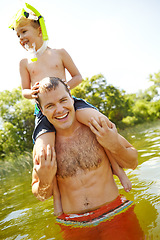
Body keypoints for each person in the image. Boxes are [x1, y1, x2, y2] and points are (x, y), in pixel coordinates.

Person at [9, 3, 132, 215]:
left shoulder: (59, 53)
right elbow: (24, 91)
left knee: (100, 125)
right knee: (45, 153)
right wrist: (35, 93)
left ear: (39, 29)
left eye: (24, 31)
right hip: (43, 112)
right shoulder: (25, 63)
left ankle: (119, 172)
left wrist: (62, 92)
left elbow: (78, 77)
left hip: (71, 102)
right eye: (17, 35)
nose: (21, 37)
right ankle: (58, 204)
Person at [32, 77, 144, 240]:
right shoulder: (45, 148)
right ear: (41, 110)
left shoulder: (95, 126)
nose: (60, 109)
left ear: (72, 98)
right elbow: (40, 194)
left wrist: (114, 144)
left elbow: (133, 162)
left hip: (115, 213)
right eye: (50, 105)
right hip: (73, 225)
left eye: (63, 100)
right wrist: (45, 180)